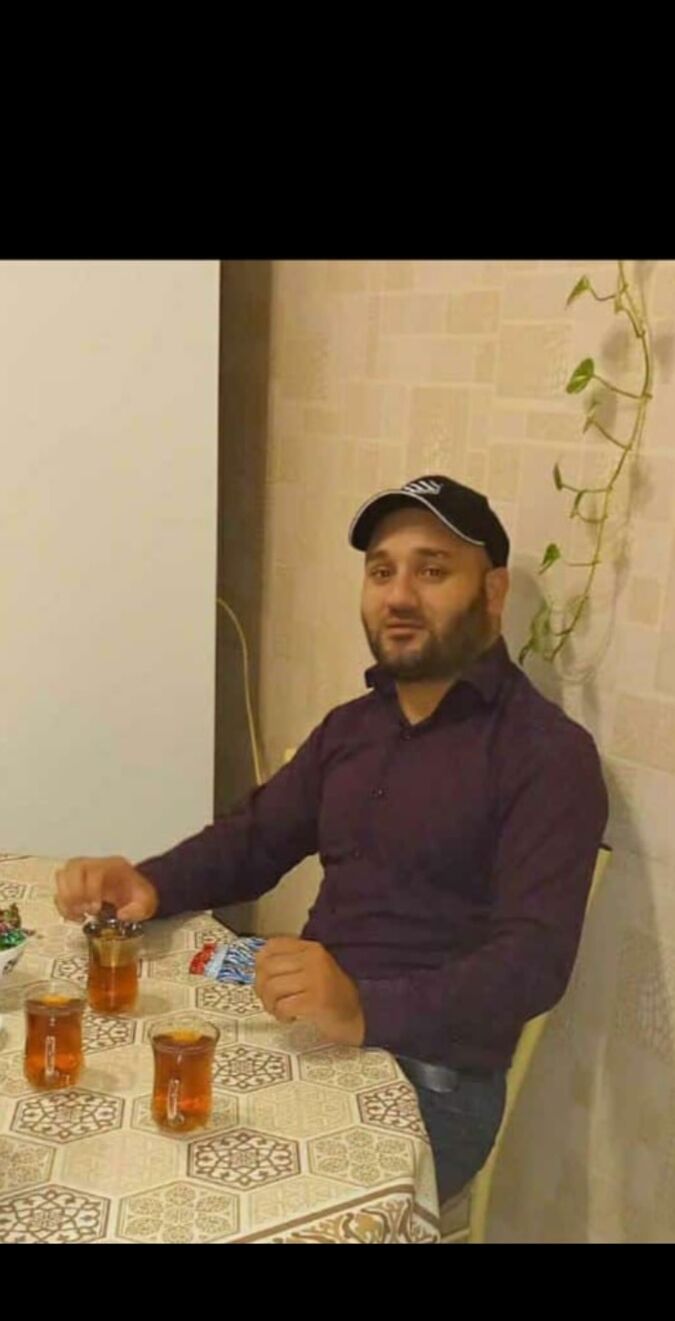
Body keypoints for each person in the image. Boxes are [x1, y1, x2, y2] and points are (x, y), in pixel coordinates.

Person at [55, 475, 608, 1207]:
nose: (398, 595)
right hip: (308, 1035)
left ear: (493, 591)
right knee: (116, 1130)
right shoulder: (352, 728)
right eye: (381, 571)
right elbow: (255, 840)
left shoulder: (546, 755)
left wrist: (364, 1008)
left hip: (432, 1083)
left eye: (431, 570)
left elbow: (531, 964)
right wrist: (149, 882)